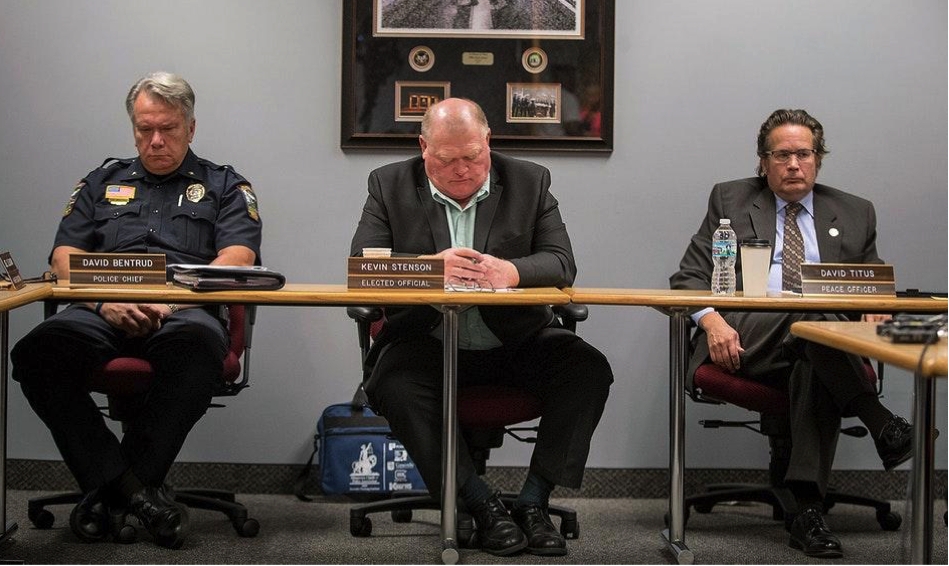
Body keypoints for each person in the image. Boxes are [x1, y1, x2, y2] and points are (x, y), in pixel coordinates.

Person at [350, 98, 612, 557]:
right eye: (447, 160)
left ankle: (534, 500)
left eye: (471, 157)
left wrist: (509, 272)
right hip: (424, 341)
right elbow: (366, 273)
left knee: (587, 368)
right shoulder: (388, 184)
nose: (461, 170)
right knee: (393, 384)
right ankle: (481, 503)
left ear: (488, 142)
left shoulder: (529, 181)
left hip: (514, 340)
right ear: (423, 148)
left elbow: (561, 262)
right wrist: (433, 269)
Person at [11, 72, 261, 549]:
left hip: (180, 310)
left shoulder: (226, 185)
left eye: (167, 128)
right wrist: (106, 300)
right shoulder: (100, 181)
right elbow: (64, 257)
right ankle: (135, 494)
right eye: (144, 129)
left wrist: (172, 299)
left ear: (191, 127)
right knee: (36, 353)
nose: (156, 140)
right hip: (102, 305)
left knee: (198, 348)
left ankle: (108, 495)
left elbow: (238, 258)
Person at [670, 109, 915, 559]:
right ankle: (881, 422)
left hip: (819, 343)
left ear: (819, 159)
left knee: (812, 359)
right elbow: (687, 278)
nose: (793, 164)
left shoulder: (855, 211)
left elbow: (872, 282)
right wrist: (711, 320)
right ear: (763, 163)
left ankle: (806, 512)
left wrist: (878, 308)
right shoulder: (731, 200)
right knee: (806, 315)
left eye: (804, 154)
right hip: (745, 334)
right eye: (781, 155)